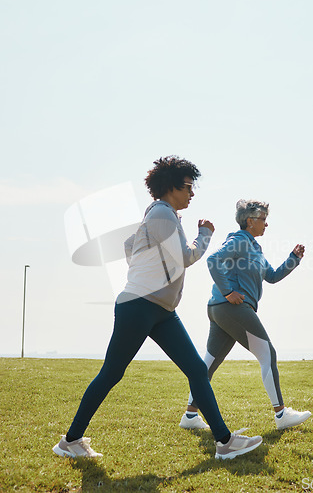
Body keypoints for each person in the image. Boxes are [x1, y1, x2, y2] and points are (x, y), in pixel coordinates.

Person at [53, 157, 262, 460]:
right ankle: (70, 441)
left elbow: (129, 246)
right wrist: (204, 234)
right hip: (140, 305)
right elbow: (185, 257)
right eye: (188, 187)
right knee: (112, 373)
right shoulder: (163, 213)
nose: (192, 193)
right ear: (170, 187)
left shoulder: (161, 216)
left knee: (196, 370)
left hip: (160, 309)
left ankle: (224, 441)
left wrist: (143, 264)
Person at [179, 199, 311, 432]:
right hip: (230, 308)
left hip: (222, 309)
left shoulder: (255, 248)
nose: (266, 225)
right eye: (263, 220)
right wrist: (229, 291)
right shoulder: (239, 240)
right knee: (267, 353)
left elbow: (272, 276)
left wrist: (294, 259)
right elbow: (213, 260)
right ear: (250, 221)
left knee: (209, 364)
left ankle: (190, 416)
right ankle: (281, 415)